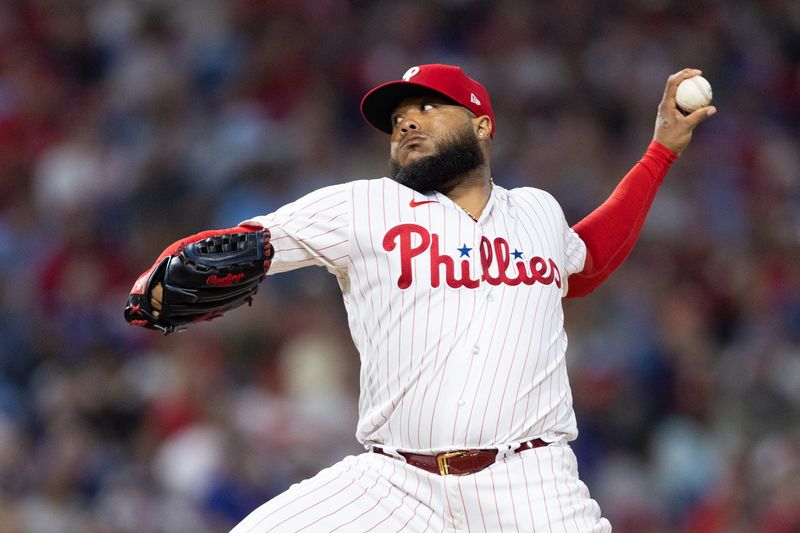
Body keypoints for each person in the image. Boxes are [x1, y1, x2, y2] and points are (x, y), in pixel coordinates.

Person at [127, 64, 716, 531]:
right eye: (399, 117)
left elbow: (585, 263)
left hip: (530, 484)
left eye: (429, 108)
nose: (407, 122)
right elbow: (251, 241)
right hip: (394, 485)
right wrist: (156, 274)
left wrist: (659, 153)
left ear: (483, 125)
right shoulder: (365, 207)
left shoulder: (537, 210)